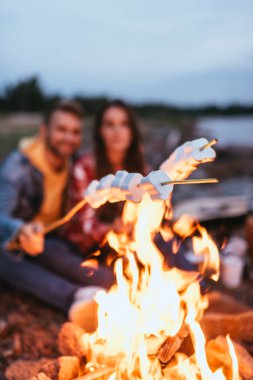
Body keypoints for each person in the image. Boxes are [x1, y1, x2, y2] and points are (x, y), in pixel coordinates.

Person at [0, 101, 114, 331]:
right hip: (14, 242)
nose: (69, 138)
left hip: (50, 241)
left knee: (55, 253)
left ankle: (122, 284)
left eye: (75, 132)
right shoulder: (18, 167)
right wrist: (19, 230)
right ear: (44, 131)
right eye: (61, 129)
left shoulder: (74, 164)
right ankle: (76, 297)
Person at [64, 100, 146, 254]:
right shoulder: (84, 168)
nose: (117, 131)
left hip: (130, 243)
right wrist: (113, 228)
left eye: (124, 124)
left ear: (132, 131)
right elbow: (84, 227)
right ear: (100, 131)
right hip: (89, 247)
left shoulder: (141, 169)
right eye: (109, 124)